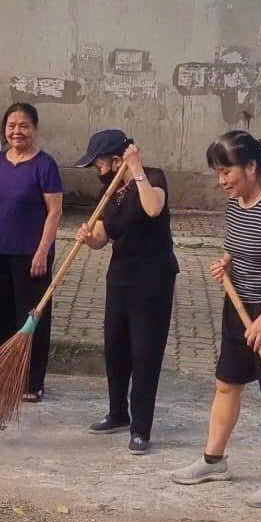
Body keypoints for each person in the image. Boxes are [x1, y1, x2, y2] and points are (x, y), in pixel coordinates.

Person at [171, 131, 261, 508]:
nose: (221, 180)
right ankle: (214, 460)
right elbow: (238, 248)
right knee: (226, 384)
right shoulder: (237, 205)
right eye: (218, 172)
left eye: (226, 170)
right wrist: (227, 263)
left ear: (251, 167)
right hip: (240, 306)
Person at [75, 130, 179, 454]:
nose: (97, 169)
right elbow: (103, 236)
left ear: (117, 160)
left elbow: (152, 209)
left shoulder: (152, 178)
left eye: (99, 162)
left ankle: (141, 428)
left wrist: (136, 171)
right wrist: (88, 237)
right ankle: (118, 412)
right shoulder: (109, 194)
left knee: (144, 353)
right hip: (120, 276)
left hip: (153, 279)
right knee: (115, 347)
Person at [0, 102, 63, 402]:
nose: (17, 131)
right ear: (4, 130)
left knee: (29, 319)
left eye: (24, 125)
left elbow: (54, 212)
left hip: (31, 254)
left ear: (35, 129)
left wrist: (43, 251)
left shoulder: (45, 165)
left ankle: (29, 382)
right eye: (12, 126)